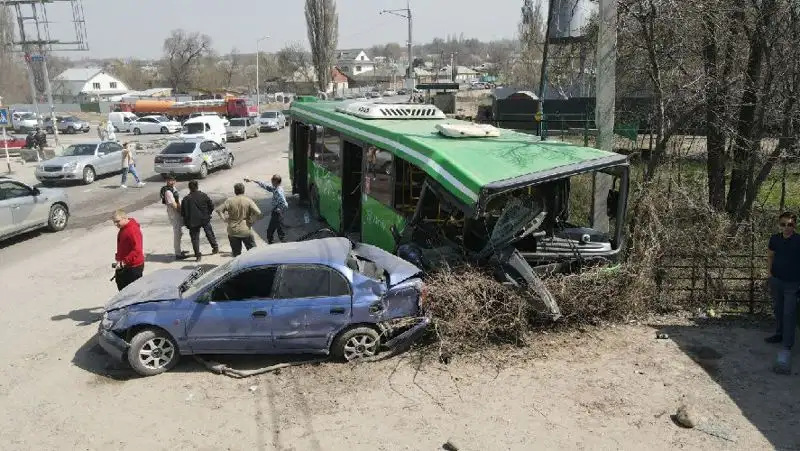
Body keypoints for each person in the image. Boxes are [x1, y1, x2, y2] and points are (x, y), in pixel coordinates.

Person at [766, 211, 800, 374]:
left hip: (793, 283)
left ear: (795, 225)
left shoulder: (799, 240)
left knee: (789, 313)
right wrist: (769, 274)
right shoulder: (775, 239)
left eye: (790, 224)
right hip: (777, 280)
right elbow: (770, 256)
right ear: (779, 225)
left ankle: (787, 345)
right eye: (783, 224)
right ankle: (779, 334)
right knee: (778, 309)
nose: (787, 228)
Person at [218, 182, 262, 257]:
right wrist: (252, 221)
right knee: (253, 253)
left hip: (233, 231)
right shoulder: (248, 200)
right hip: (246, 229)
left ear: (235, 191)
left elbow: (219, 210)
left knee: (236, 254)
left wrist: (224, 219)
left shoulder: (229, 201)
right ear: (243, 190)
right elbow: (258, 212)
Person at [181, 180, 219, 262]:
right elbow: (211, 206)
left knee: (195, 238)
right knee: (209, 233)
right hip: (204, 219)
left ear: (189, 188)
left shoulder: (186, 199)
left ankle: (198, 255)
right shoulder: (203, 195)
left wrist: (187, 222)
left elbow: (183, 213)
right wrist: (208, 214)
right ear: (197, 187)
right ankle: (215, 248)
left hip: (193, 221)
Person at [244, 174, 288, 244]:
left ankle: (275, 243)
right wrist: (253, 181)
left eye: (272, 180)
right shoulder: (277, 188)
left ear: (276, 181)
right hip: (277, 213)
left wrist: (279, 209)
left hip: (277, 213)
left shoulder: (278, 191)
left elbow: (285, 204)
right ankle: (278, 242)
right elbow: (266, 186)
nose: (271, 181)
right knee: (278, 230)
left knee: (273, 230)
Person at [112, 209, 145, 291]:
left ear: (124, 218)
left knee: (133, 292)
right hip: (125, 266)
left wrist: (124, 262)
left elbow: (137, 250)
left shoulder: (133, 230)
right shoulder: (123, 228)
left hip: (133, 267)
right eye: (114, 222)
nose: (116, 224)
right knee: (122, 287)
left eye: (117, 221)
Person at [160, 174, 188, 260]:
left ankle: (178, 250)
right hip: (174, 214)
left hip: (177, 213)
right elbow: (174, 205)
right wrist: (182, 212)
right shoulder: (168, 192)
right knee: (177, 233)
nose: (172, 182)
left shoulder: (173, 188)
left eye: (173, 180)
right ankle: (178, 253)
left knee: (180, 232)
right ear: (167, 181)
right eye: (170, 180)